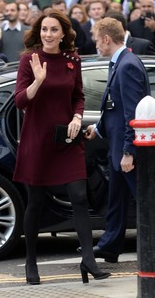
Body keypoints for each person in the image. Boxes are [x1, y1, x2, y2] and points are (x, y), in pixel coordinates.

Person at [13, 9, 111, 285]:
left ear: (63, 34)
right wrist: (38, 82)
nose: (48, 34)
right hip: (38, 141)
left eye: (54, 30)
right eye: (44, 29)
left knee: (79, 196)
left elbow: (78, 95)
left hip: (67, 140)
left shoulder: (72, 60)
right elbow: (20, 100)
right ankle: (31, 262)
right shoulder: (28, 61)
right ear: (38, 32)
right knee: (36, 202)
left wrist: (77, 117)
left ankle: (89, 260)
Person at [83, 17, 150, 262]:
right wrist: (98, 129)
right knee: (117, 200)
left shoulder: (127, 66)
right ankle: (110, 247)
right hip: (117, 147)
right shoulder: (119, 63)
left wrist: (129, 151)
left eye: (95, 37)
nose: (94, 42)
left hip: (125, 151)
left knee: (145, 201)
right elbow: (114, 109)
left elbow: (132, 113)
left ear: (107, 39)